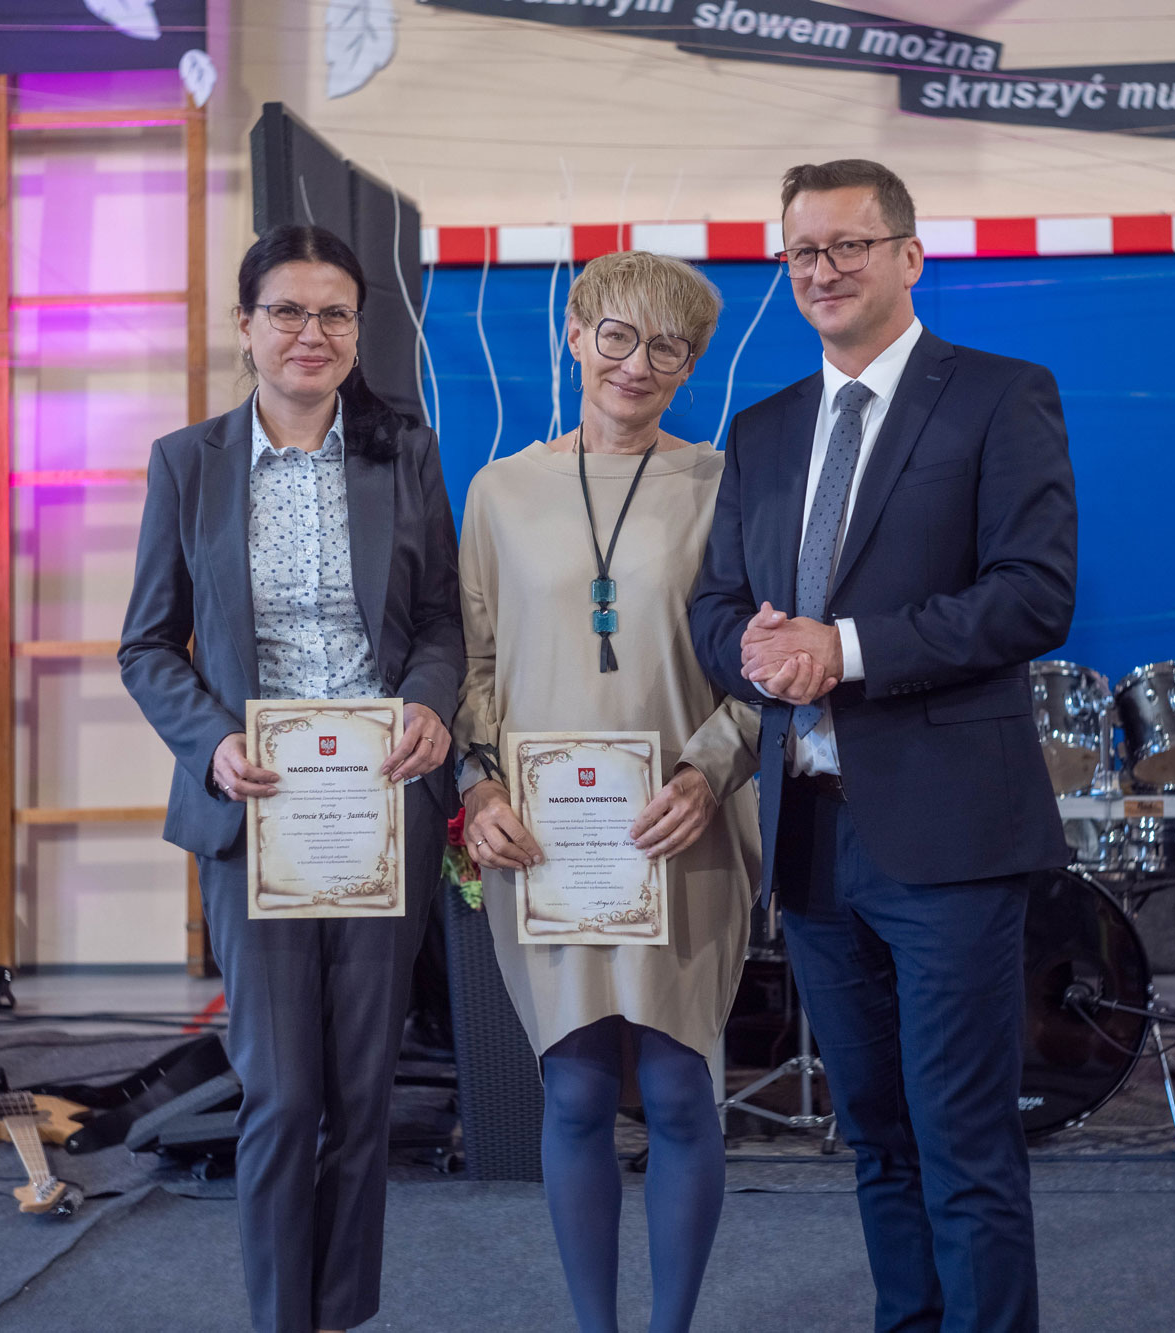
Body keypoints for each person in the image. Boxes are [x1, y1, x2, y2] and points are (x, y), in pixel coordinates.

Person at [690, 160, 1078, 1332]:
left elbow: (1032, 594)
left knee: (961, 1136)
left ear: (909, 255)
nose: (823, 269)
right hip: (810, 838)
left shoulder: (998, 396)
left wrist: (844, 650)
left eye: (847, 245)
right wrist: (753, 651)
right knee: (873, 1136)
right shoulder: (761, 429)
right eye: (801, 251)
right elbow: (714, 608)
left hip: (948, 835)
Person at [118, 223, 463, 1333]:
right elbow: (146, 643)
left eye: (334, 314)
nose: (311, 333)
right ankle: (280, 1318)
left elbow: (442, 621)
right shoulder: (190, 463)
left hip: (379, 808)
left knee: (362, 1092)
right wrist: (210, 740)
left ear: (357, 331)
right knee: (279, 1090)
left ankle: (341, 1313)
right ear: (245, 325)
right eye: (287, 311)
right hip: (252, 813)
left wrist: (429, 701)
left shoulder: (405, 454)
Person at [451, 250, 761, 1333]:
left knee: (678, 1087)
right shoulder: (498, 491)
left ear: (690, 365)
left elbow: (761, 669)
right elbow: (473, 668)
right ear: (576, 335)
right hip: (544, 840)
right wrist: (479, 785)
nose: (636, 364)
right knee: (576, 1087)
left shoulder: (725, 485)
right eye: (617, 336)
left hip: (684, 827)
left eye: (666, 347)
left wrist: (709, 769)